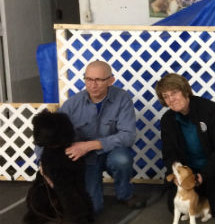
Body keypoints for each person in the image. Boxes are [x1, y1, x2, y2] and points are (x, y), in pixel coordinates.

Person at [38, 60, 143, 214]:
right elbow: (48, 134)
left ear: (111, 80)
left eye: (99, 80)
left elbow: (128, 136)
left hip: (112, 152)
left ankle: (125, 195)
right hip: (85, 159)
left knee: (122, 159)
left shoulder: (122, 98)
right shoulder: (72, 104)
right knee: (93, 208)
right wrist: (41, 162)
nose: (93, 85)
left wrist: (89, 145)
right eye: (88, 79)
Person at [156, 73, 215, 217]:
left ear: (185, 91)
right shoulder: (167, 120)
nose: (171, 99)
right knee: (174, 208)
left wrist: (203, 175)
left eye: (174, 93)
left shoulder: (212, 111)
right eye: (166, 96)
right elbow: (169, 153)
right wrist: (177, 175)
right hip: (188, 173)